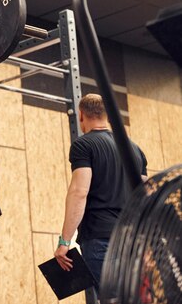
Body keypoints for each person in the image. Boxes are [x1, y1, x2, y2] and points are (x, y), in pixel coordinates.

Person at [54, 93, 148, 292]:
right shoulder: (135, 150)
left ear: (81, 115)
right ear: (107, 115)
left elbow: (79, 192)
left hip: (102, 241)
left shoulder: (83, 145)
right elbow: (145, 197)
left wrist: (64, 241)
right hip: (133, 242)